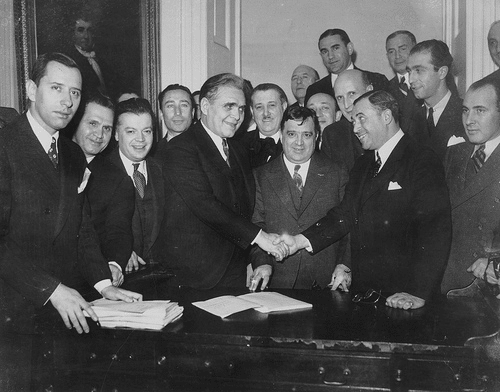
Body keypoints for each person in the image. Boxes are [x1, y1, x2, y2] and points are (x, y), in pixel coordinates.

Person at [0, 53, 141, 337]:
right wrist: (50, 289)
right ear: (30, 89)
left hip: (65, 306)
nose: (67, 102)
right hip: (13, 307)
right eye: (56, 88)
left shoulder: (73, 153)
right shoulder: (5, 146)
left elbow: (81, 228)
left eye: (74, 92)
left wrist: (104, 284)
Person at [276, 90, 451, 310]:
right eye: (353, 121)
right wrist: (300, 240)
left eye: (361, 119)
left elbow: (435, 230)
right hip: (366, 293)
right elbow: (344, 215)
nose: (355, 128)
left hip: (405, 296)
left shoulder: (421, 159)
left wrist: (418, 291)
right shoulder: (363, 164)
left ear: (386, 116)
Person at [155, 73, 287, 289]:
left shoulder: (238, 148)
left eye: (242, 108)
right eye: (229, 106)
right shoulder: (180, 148)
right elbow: (206, 205)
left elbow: (246, 207)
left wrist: (256, 257)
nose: (237, 115)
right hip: (194, 277)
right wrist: (259, 237)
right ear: (205, 106)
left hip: (234, 271)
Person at [249, 106, 349, 290]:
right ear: (281, 135)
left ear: (317, 136)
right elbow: (256, 225)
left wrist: (344, 265)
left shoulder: (337, 172)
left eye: (307, 135)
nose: (299, 143)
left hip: (329, 279)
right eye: (292, 134)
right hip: (277, 278)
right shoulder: (260, 176)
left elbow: (348, 223)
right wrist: (262, 263)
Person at [442, 77, 500, 293]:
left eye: (480, 110)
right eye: (465, 110)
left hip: (484, 285)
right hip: (445, 278)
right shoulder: (454, 154)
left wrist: (495, 261)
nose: (469, 120)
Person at [72, 92, 135, 282]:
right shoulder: (51, 160)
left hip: (89, 279)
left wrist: (114, 264)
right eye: (93, 124)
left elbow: (119, 231)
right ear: (75, 122)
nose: (99, 134)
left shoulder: (117, 179)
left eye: (107, 128)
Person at [108, 98, 165, 273]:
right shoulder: (99, 173)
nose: (140, 139)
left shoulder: (163, 170)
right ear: (116, 134)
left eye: (146, 131)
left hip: (162, 279)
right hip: (117, 281)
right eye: (131, 131)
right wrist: (117, 252)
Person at [405, 39, 465, 161]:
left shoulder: (465, 113)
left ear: (442, 72)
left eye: (419, 71)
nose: (411, 79)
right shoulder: (409, 119)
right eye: (409, 71)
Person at [304, 28, 389, 105]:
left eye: (335, 48)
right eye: (325, 51)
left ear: (349, 48)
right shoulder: (314, 90)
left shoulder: (377, 81)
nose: (330, 56)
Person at [321, 69, 369, 170]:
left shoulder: (394, 125)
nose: (346, 105)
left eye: (351, 94)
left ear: (369, 91)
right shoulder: (332, 135)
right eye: (339, 98)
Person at [63, 11, 115, 97]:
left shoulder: (102, 59)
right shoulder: (69, 60)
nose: (86, 36)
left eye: (89, 31)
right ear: (72, 33)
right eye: (81, 30)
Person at [238, 83, 288, 168]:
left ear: (283, 107)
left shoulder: (295, 144)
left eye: (272, 105)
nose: (266, 113)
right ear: (252, 111)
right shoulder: (238, 145)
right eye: (259, 107)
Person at [385, 30, 421, 131]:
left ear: (415, 49)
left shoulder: (430, 80)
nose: (397, 56)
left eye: (403, 49)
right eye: (391, 51)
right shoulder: (385, 88)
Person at [155, 84, 195, 159]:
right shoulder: (151, 154)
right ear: (161, 113)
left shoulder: (209, 148)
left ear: (192, 112)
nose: (177, 112)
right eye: (170, 106)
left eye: (184, 105)